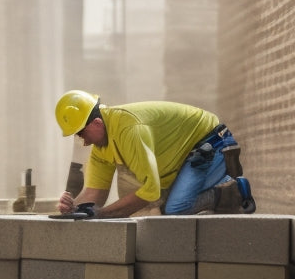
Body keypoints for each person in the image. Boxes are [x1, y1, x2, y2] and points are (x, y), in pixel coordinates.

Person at [54, 90, 255, 219]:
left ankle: (233, 192)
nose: (83, 141)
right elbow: (94, 194)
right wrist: (73, 208)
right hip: (185, 156)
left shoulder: (129, 130)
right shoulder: (101, 147)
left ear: (96, 123)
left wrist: (103, 214)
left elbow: (151, 191)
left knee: (176, 209)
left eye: (81, 132)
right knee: (155, 208)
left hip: (211, 144)